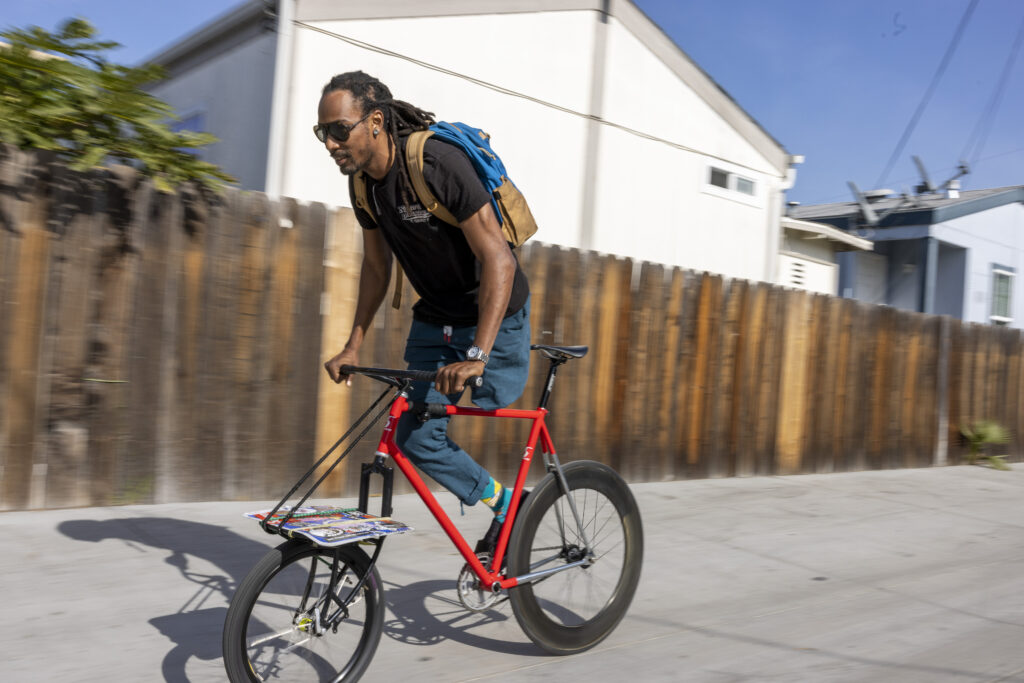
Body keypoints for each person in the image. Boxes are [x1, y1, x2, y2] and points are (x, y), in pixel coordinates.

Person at [319, 71, 531, 531]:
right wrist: (352, 345)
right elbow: (377, 268)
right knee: (416, 438)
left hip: (493, 313)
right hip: (436, 316)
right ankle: (507, 503)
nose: (331, 144)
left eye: (339, 129)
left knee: (489, 399)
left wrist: (477, 354)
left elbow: (499, 259)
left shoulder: (436, 162)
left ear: (375, 121)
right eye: (323, 133)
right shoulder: (364, 186)